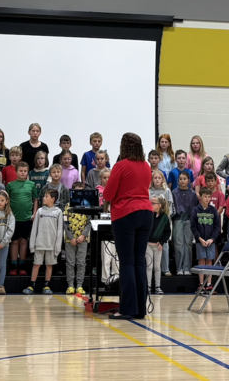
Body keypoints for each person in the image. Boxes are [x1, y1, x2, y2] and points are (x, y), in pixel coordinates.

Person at [101, 132, 153, 320]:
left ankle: (127, 308)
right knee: (139, 261)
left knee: (127, 263)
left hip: (125, 214)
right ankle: (140, 309)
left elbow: (108, 195)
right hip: (146, 213)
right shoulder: (146, 166)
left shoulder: (121, 165)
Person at [24, 189, 63, 295]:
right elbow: (34, 229)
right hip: (39, 244)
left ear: (53, 199)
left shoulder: (58, 212)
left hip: (51, 245)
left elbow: (59, 231)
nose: (43, 198)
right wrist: (32, 245)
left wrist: (57, 248)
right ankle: (32, 285)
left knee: (49, 265)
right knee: (36, 264)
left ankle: (46, 285)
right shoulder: (40, 211)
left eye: (46, 196)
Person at [7, 162, 38, 275]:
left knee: (24, 241)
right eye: (21, 171)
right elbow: (7, 200)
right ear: (16, 172)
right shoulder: (10, 185)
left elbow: (35, 199)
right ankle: (14, 265)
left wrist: (34, 213)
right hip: (14, 218)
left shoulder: (31, 184)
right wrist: (9, 214)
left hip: (27, 218)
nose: (23, 173)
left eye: (25, 171)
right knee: (14, 241)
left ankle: (22, 264)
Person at [192, 188, 221, 292]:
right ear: (200, 196)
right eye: (205, 196)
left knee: (209, 260)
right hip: (200, 241)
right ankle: (201, 284)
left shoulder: (213, 210)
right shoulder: (196, 210)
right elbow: (193, 227)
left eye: (209, 197)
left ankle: (209, 284)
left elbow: (217, 227)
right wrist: (199, 238)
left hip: (210, 241)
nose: (207, 199)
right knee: (201, 260)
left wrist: (212, 239)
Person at [171, 171, 197, 276]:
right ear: (178, 180)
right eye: (180, 179)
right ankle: (179, 268)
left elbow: (195, 208)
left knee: (188, 244)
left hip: (189, 220)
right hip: (177, 220)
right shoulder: (174, 193)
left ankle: (187, 268)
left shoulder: (193, 193)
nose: (182, 181)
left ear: (189, 180)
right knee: (178, 244)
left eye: (185, 179)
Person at [146, 195, 172, 295]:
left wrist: (161, 242)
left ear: (159, 205)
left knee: (157, 267)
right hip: (148, 245)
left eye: (153, 203)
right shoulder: (148, 215)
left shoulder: (164, 217)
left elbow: (167, 232)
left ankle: (157, 287)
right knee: (149, 266)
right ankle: (148, 287)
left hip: (158, 246)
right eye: (150, 203)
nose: (151, 205)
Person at [63, 201, 90, 295]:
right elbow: (65, 221)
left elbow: (89, 222)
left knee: (81, 263)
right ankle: (70, 285)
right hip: (69, 239)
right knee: (70, 262)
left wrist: (83, 235)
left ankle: (79, 285)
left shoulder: (87, 204)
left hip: (83, 239)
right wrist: (71, 237)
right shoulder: (68, 205)